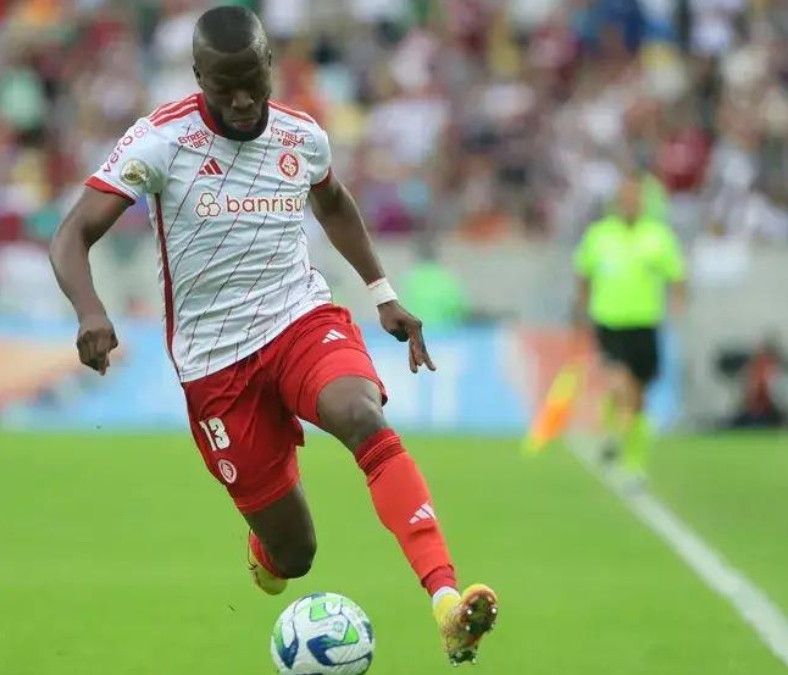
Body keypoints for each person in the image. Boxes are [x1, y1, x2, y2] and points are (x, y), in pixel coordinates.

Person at [49, 6, 498, 666]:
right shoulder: (159, 142)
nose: (239, 100)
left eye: (250, 83)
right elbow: (71, 234)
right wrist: (90, 311)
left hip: (298, 320)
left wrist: (383, 292)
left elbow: (335, 202)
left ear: (269, 68)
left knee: (360, 415)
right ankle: (267, 551)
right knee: (295, 553)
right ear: (198, 74)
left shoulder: (300, 134)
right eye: (221, 85)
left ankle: (446, 601)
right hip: (215, 367)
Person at [573, 177, 686, 482]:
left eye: (634, 198)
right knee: (618, 382)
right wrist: (582, 310)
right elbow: (583, 275)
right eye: (624, 198)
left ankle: (632, 461)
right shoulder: (600, 236)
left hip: (645, 323)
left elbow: (676, 275)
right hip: (609, 322)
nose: (629, 204)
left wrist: (676, 306)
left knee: (638, 396)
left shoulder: (658, 237)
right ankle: (613, 439)